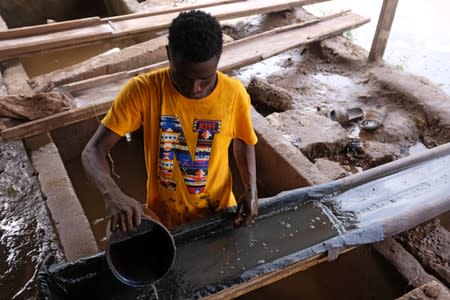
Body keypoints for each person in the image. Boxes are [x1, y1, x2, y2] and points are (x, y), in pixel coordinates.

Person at [82, 10, 258, 232]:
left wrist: (251, 187)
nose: (194, 89)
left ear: (218, 59)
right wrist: (113, 195)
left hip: (220, 214)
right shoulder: (143, 91)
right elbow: (92, 151)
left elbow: (243, 139)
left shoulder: (234, 94)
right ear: (169, 54)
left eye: (205, 79)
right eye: (183, 77)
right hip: (164, 220)